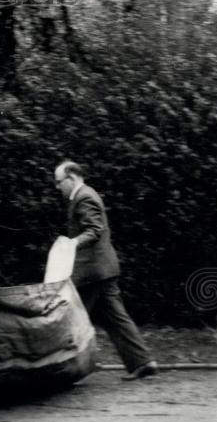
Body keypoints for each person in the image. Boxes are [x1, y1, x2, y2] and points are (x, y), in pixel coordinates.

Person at [53, 160, 158, 380]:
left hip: (92, 273)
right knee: (116, 318)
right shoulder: (86, 195)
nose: (57, 186)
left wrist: (73, 243)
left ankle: (62, 370)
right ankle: (142, 362)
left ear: (71, 178)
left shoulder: (84, 197)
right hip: (102, 270)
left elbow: (94, 230)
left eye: (59, 181)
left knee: (73, 318)